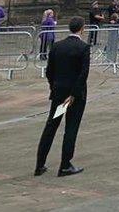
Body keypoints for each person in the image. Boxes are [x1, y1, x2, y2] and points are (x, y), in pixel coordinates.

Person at [35, 17, 89, 177]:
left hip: (59, 96)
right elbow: (83, 74)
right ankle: (65, 165)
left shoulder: (58, 46)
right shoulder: (83, 48)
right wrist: (73, 95)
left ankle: (39, 165)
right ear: (82, 29)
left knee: (51, 127)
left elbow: (49, 71)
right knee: (71, 128)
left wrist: (54, 87)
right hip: (75, 98)